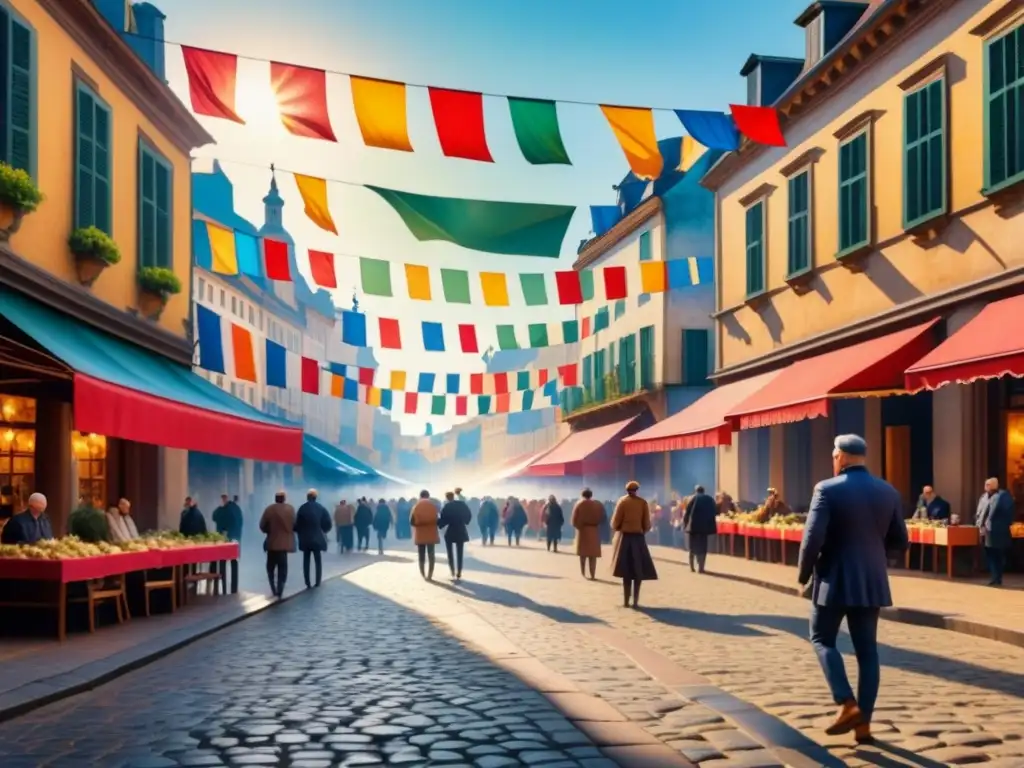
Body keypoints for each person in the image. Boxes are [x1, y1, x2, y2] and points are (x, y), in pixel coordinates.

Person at [798, 434, 908, 744]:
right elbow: (901, 539)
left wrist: (803, 574)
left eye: (834, 457)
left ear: (841, 458)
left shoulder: (826, 489)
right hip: (872, 580)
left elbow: (812, 539)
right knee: (867, 652)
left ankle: (846, 703)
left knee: (821, 638)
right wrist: (875, 552)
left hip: (834, 579)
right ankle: (864, 726)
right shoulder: (888, 491)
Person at [610, 481, 658, 608]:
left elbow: (615, 522)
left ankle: (626, 601)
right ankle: (636, 601)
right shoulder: (642, 503)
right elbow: (647, 524)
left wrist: (619, 528)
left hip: (625, 538)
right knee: (638, 571)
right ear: (637, 490)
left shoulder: (622, 502)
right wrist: (642, 530)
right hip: (638, 538)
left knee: (626, 571)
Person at [976, 477, 1014, 587]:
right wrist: (979, 525)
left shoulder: (1003, 497)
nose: (985, 486)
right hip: (985, 531)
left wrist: (1002, 525)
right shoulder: (984, 497)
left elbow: (1008, 514)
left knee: (999, 554)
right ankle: (994, 577)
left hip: (999, 531)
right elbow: (979, 512)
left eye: (988, 484)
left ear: (994, 485)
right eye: (985, 484)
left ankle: (998, 577)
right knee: (990, 554)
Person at [259, 490, 296, 598]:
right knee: (283, 567)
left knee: (270, 567)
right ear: (284, 499)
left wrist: (269, 531)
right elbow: (294, 524)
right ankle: (280, 588)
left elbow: (262, 525)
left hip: (272, 543)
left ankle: (273, 588)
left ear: (275, 499)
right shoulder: (290, 509)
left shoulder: (269, 509)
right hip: (284, 544)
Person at [295, 489, 331, 588]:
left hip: (305, 539)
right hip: (317, 538)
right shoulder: (321, 508)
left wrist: (300, 532)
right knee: (317, 560)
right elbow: (328, 523)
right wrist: (323, 531)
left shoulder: (302, 508)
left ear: (307, 498)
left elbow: (297, 524)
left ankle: (307, 582)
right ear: (315, 498)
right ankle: (318, 581)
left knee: (306, 560)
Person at [684, 485, 718, 574]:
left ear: (696, 491)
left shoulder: (693, 498)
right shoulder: (709, 499)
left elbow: (687, 513)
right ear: (703, 491)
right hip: (704, 528)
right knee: (703, 547)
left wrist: (685, 525)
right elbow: (715, 512)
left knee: (692, 547)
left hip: (693, 527)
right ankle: (701, 568)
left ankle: (692, 567)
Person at [438, 491, 472, 581]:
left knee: (450, 552)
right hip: (461, 529)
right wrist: (465, 522)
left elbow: (442, 520)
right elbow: (468, 515)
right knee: (460, 552)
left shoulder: (446, 506)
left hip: (450, 530)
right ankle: (459, 571)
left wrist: (439, 524)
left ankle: (452, 570)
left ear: (447, 498)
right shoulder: (462, 504)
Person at [571, 488, 603, 579]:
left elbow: (574, 520)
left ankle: (583, 573)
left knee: (583, 554)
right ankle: (593, 574)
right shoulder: (597, 504)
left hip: (583, 531)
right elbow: (601, 517)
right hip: (594, 531)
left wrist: (578, 526)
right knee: (593, 555)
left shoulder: (579, 504)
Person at [410, 489, 439, 580]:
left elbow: (411, 522)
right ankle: (430, 574)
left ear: (420, 496)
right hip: (431, 533)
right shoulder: (433, 506)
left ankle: (422, 573)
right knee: (431, 554)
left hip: (420, 534)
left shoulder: (416, 507)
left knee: (421, 554)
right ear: (428, 496)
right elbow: (437, 519)